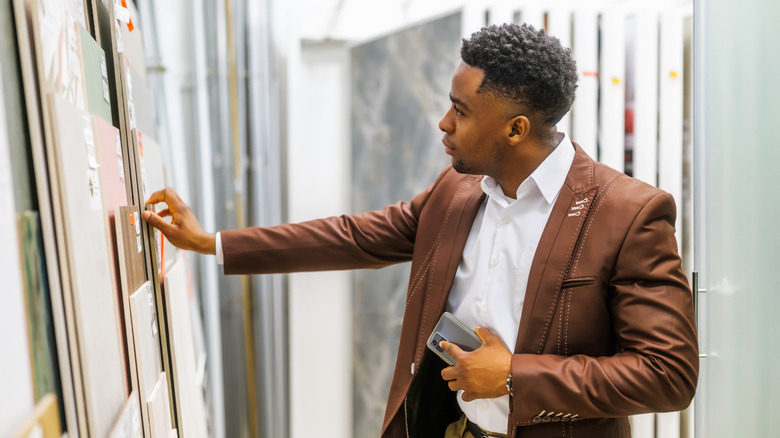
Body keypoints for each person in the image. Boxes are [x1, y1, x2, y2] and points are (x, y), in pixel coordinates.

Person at [143, 23, 698, 438]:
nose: (444, 122)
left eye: (460, 110)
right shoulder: (455, 192)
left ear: (515, 128)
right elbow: (353, 236)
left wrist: (514, 377)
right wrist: (211, 242)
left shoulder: (628, 213)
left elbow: (668, 373)